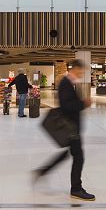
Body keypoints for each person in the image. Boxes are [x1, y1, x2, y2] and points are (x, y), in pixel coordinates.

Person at [34, 59, 94, 201]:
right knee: (78, 157)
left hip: (71, 126)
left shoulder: (69, 83)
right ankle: (76, 189)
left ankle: (42, 171)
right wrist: (83, 103)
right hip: (70, 127)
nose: (81, 74)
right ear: (75, 69)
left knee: (68, 154)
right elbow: (67, 106)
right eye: (81, 71)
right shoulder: (66, 84)